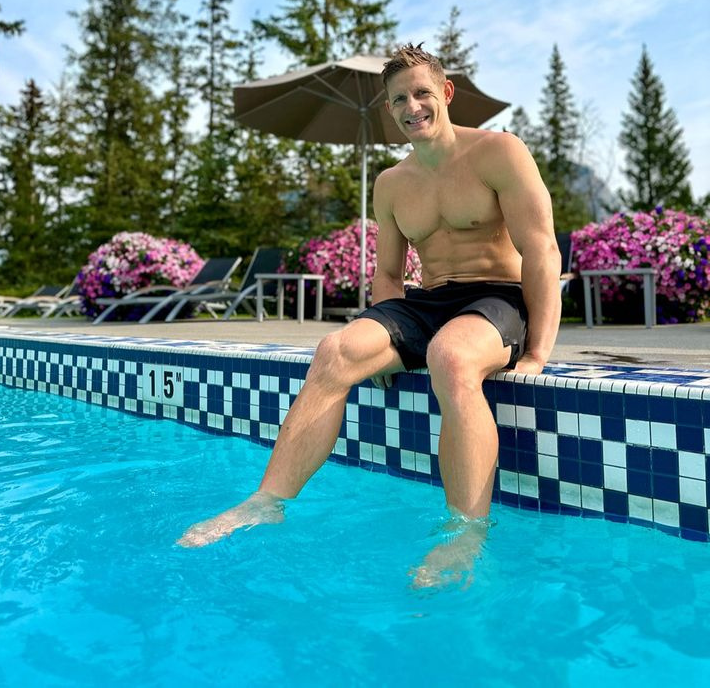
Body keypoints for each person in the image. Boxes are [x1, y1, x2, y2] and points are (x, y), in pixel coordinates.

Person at [178, 44, 561, 558]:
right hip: (430, 300)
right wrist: (389, 339)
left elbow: (541, 248)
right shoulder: (392, 183)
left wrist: (537, 352)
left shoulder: (499, 151)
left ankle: (465, 534)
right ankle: (265, 501)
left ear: (446, 93)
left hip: (498, 298)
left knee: (450, 358)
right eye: (399, 99)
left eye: (422, 93)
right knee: (335, 353)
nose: (412, 107)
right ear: (389, 108)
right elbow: (387, 273)